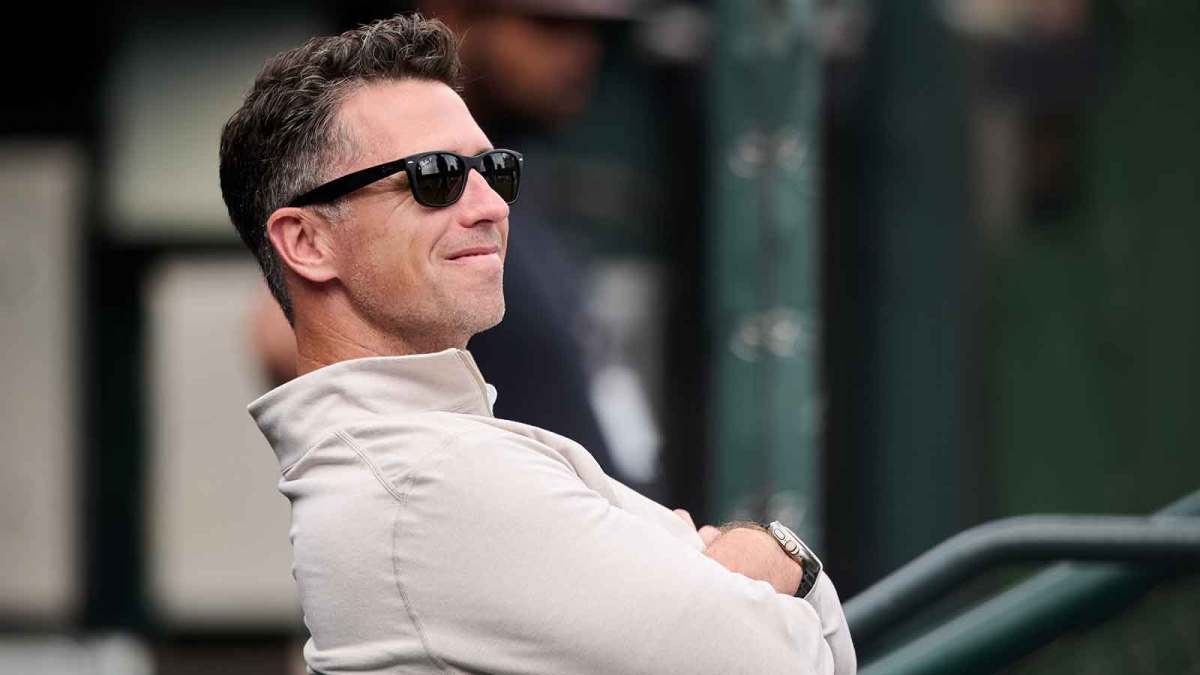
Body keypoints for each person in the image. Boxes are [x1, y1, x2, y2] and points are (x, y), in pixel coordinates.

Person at [219, 14, 855, 675]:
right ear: (306, 242)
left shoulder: (424, 453)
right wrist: (780, 564)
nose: (491, 204)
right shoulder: (427, 480)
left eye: (495, 170)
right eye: (433, 176)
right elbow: (791, 660)